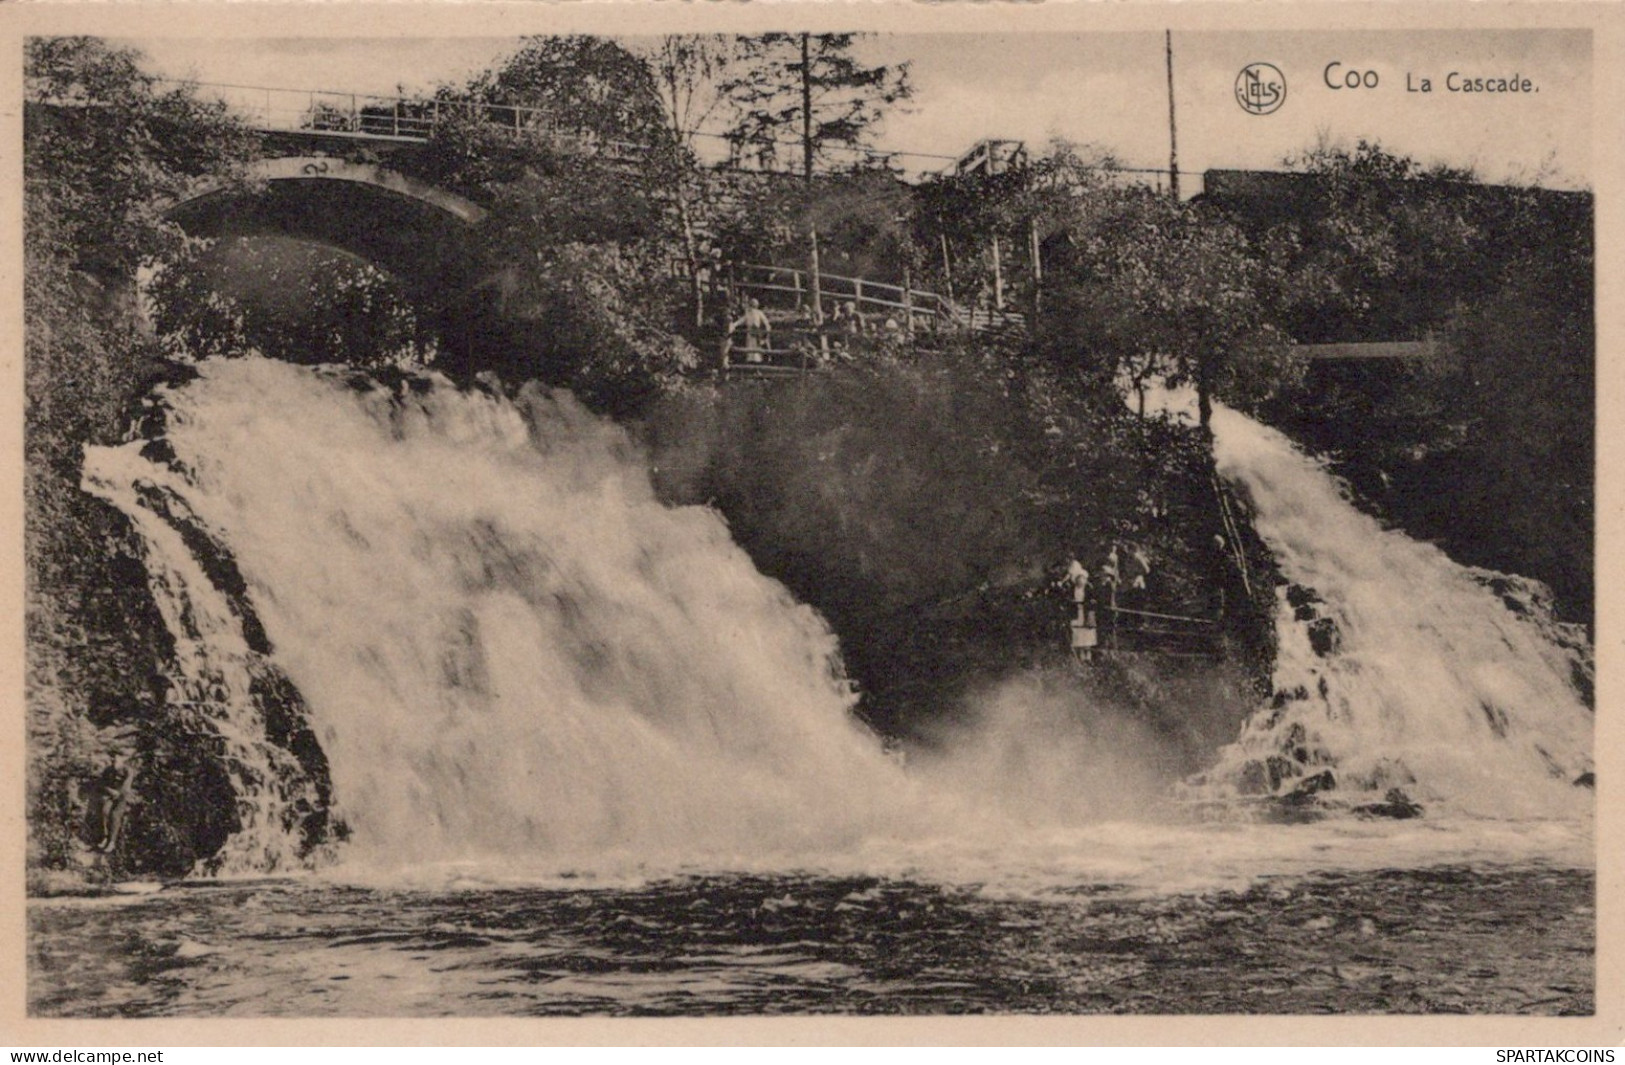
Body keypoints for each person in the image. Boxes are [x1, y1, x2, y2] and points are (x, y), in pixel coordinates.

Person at [89, 754, 139, 854]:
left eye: (117, 759)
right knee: (104, 812)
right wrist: (110, 791)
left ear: (123, 759)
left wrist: (118, 793)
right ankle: (105, 837)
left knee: (115, 815)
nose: (114, 761)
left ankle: (112, 842)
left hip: (122, 796)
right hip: (111, 795)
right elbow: (102, 783)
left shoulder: (128, 770)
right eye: (113, 759)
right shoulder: (108, 770)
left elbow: (126, 786)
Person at [729, 298, 771, 363]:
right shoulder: (748, 313)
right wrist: (733, 325)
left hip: (756, 332)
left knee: (756, 349)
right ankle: (751, 363)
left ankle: (757, 364)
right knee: (750, 348)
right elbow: (741, 321)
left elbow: (765, 322)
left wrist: (766, 330)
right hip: (749, 333)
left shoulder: (759, 313)